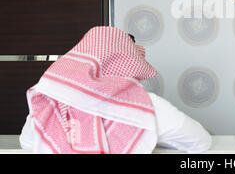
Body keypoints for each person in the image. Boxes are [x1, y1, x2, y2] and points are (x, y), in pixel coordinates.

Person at [19, 26, 212, 154]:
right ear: (129, 63)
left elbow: (28, 143)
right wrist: (152, 137)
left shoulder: (51, 102)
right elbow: (201, 142)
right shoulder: (145, 106)